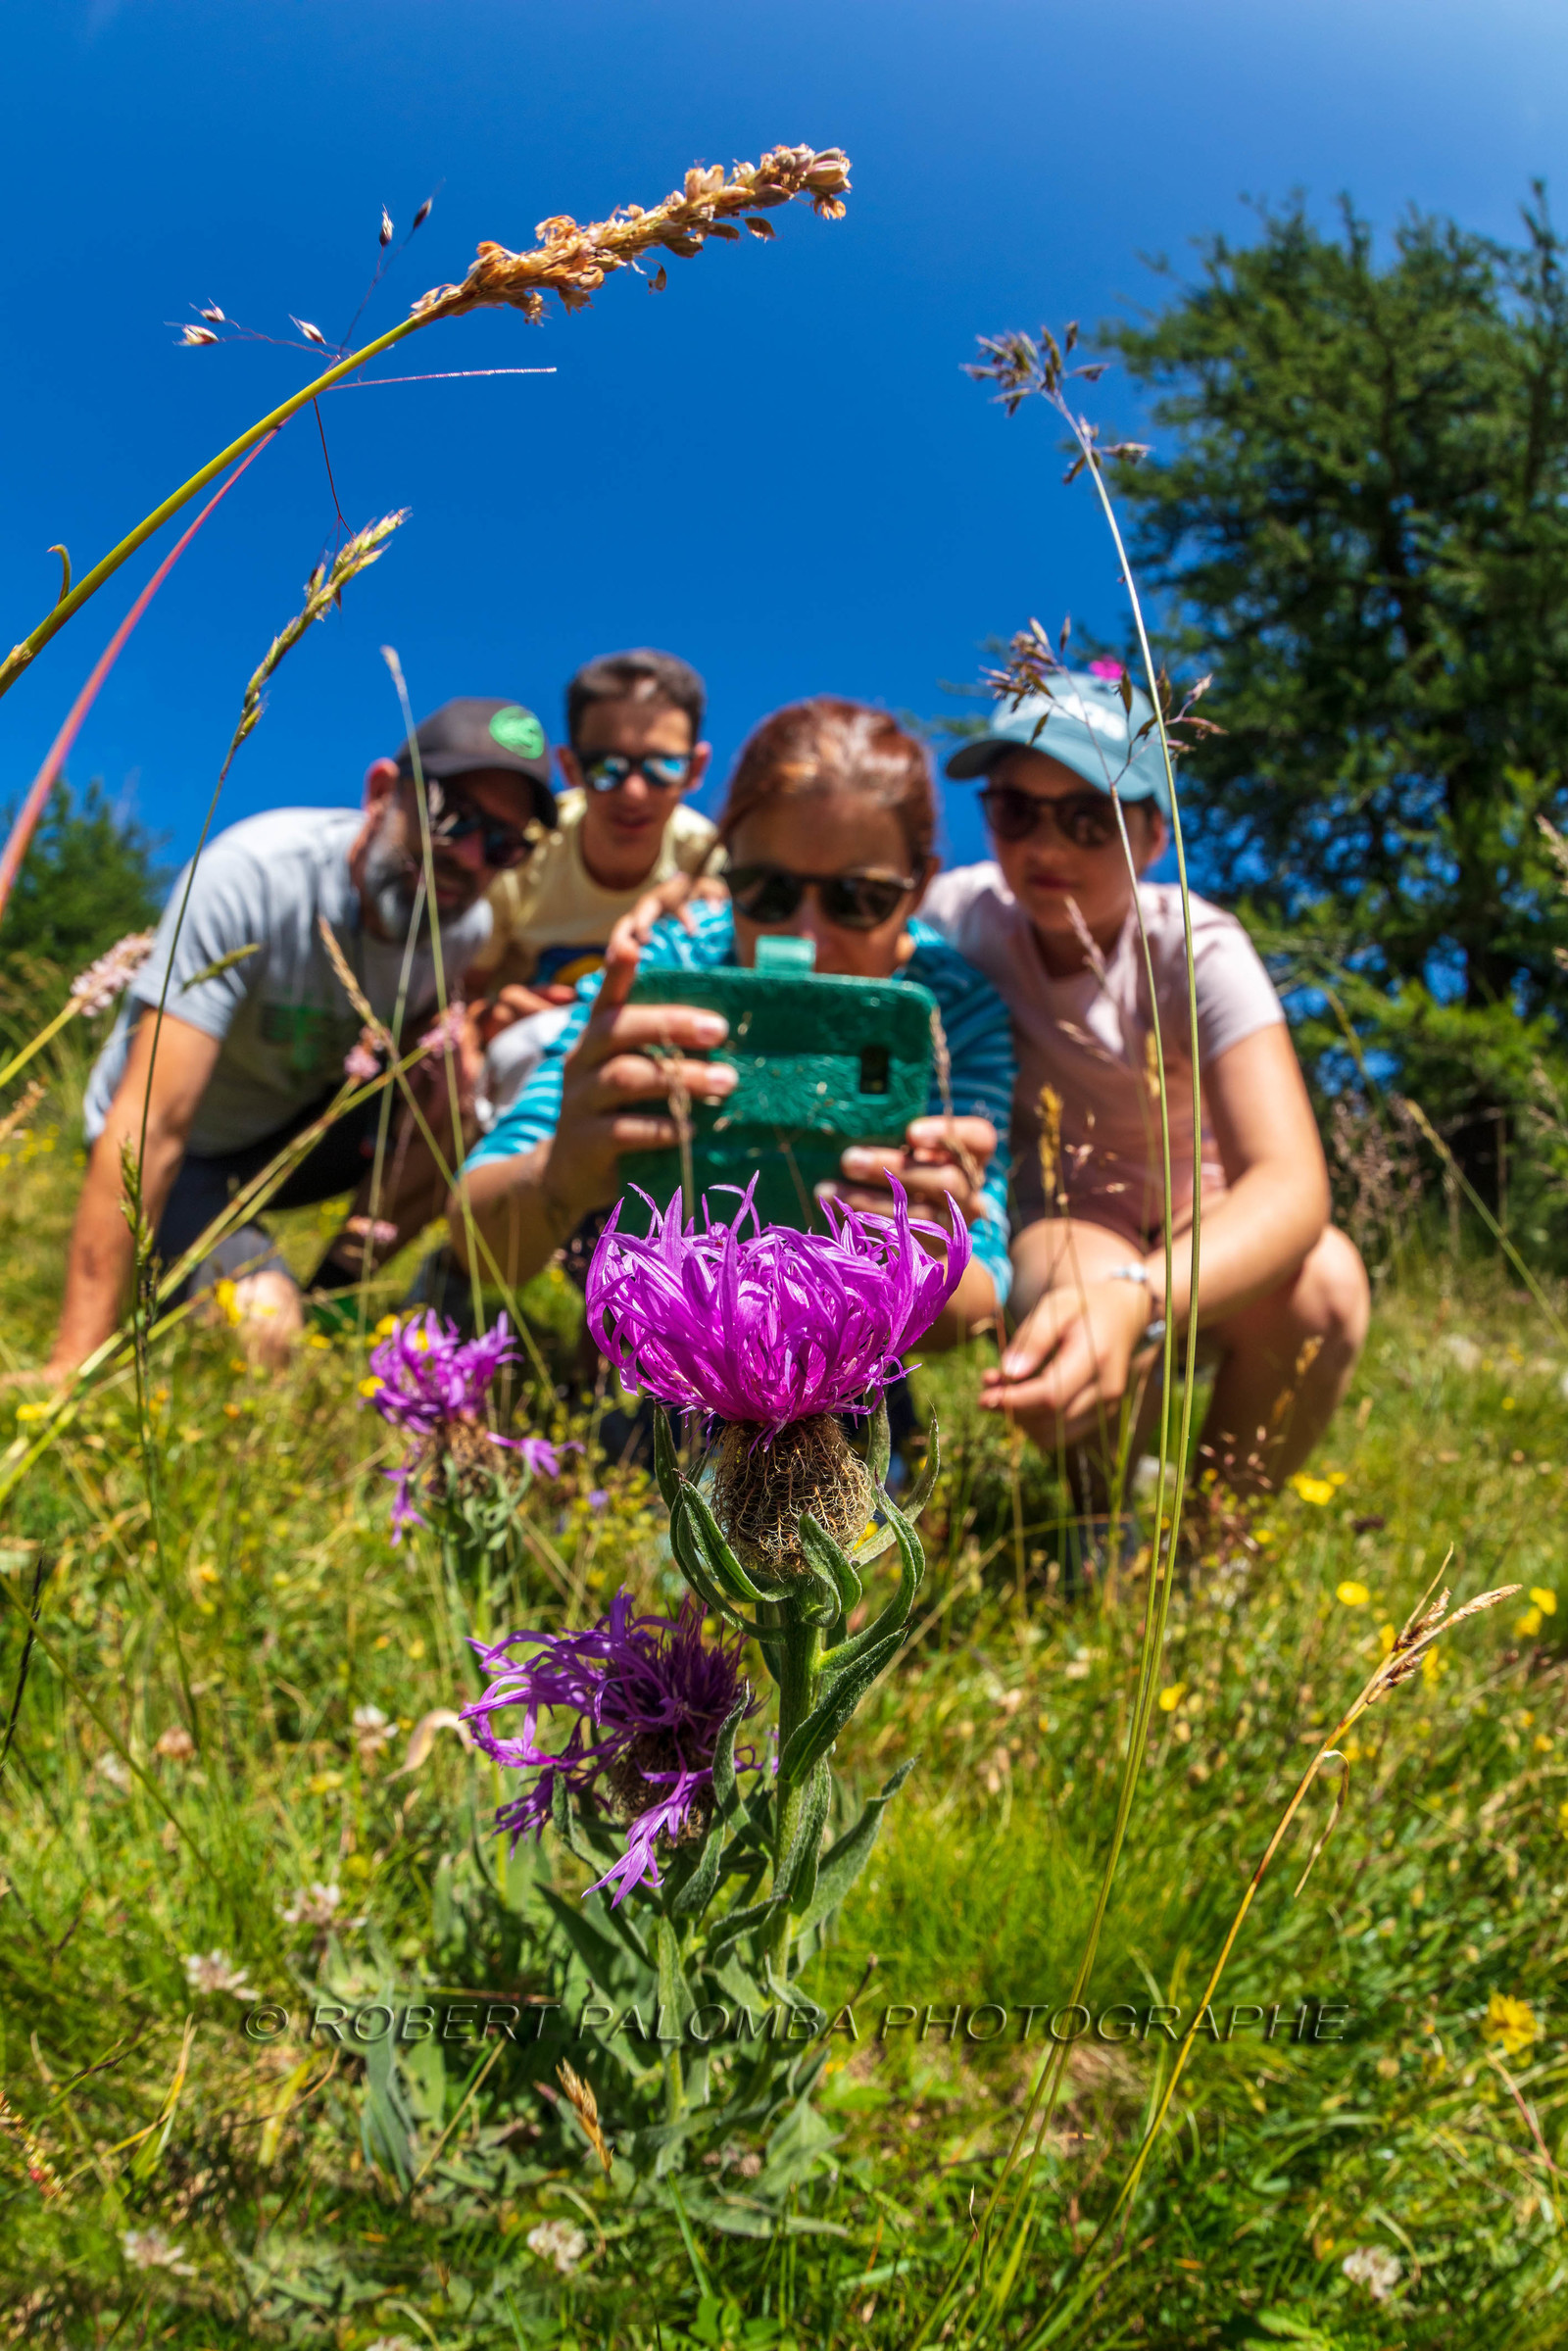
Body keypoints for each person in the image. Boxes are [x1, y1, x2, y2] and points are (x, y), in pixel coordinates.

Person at [924, 666, 1369, 1495]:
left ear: (1153, 839)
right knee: (1077, 1292)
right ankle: (1103, 1526)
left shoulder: (1197, 946)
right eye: (1017, 810)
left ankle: (1211, 1551)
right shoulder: (958, 918)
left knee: (1328, 1284)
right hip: (1068, 1208)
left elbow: (1291, 1183)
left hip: (1203, 1208)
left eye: (1090, 818)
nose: (1045, 848)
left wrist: (1144, 1292)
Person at [449, 697, 1015, 1345]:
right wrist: (559, 1170)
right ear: (725, 870)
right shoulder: (668, 960)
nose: (807, 939)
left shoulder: (954, 1008)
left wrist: (933, 1261)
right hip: (658, 1330)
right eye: (765, 891)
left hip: (856, 1347)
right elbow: (479, 1238)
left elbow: (978, 1300)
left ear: (919, 888)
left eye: (859, 898)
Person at [46, 698, 557, 1383]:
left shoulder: (461, 926)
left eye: (504, 842)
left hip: (294, 1136)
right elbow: (147, 1126)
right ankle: (235, 1298)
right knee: (261, 1327)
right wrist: (71, 1365)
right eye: (450, 814)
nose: (466, 857)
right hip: (187, 1149)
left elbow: (412, 1063)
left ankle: (331, 1305)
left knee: (463, 1096)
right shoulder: (252, 876)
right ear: (381, 791)